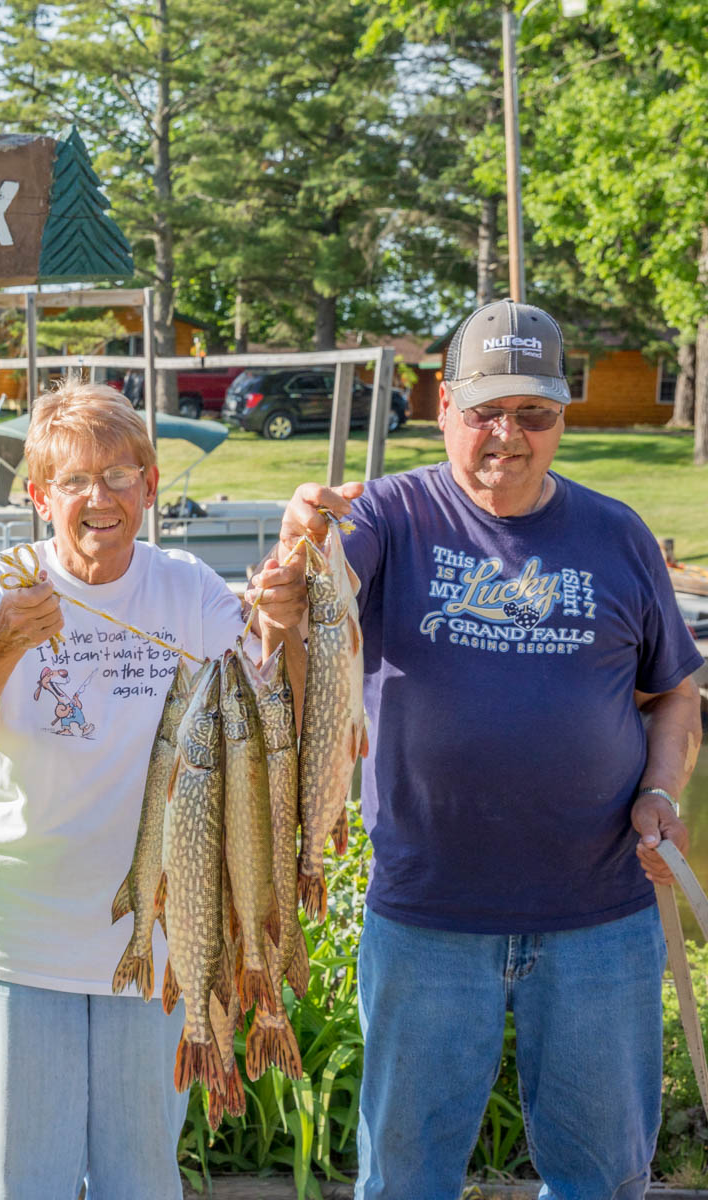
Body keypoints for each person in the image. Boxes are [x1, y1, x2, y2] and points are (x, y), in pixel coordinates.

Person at [272, 300, 703, 1199]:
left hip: (602, 916)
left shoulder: (619, 534)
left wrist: (663, 791)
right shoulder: (390, 513)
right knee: (404, 1182)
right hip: (429, 915)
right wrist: (301, 534)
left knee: (603, 1180)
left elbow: (673, 695)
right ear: (444, 408)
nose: (507, 434)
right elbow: (322, 580)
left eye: (534, 413)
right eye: (485, 411)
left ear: (559, 420)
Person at [0, 380, 303, 1199]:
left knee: (141, 1180)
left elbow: (269, 717)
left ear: (150, 488)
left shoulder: (188, 587)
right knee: (32, 1184)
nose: (99, 498)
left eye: (120, 476)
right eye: (74, 481)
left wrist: (286, 624)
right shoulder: (1, 585)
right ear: (38, 496)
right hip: (15, 932)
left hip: (162, 934)